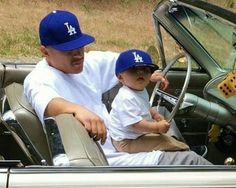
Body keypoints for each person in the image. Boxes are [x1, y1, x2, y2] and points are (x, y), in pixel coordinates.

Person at [24, 10, 212, 166]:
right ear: (45, 51)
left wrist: (148, 73)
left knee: (161, 113)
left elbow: (125, 61)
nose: (78, 55)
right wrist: (77, 110)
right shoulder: (39, 79)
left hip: (117, 140)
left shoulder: (88, 63)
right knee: (192, 161)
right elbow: (49, 103)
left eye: (80, 46)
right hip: (110, 160)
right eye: (68, 51)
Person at [109, 49, 190, 153]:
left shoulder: (139, 90)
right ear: (120, 77)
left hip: (135, 134)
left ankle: (181, 146)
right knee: (163, 141)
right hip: (126, 142)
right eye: (134, 70)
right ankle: (185, 150)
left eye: (146, 70)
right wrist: (156, 127)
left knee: (163, 132)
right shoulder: (126, 98)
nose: (140, 72)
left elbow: (146, 105)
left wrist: (155, 115)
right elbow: (135, 125)